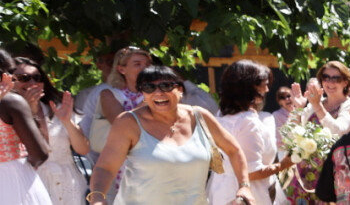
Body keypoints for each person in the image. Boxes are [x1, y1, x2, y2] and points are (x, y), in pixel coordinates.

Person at [89, 64, 255, 205]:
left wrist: (244, 186)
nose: (158, 92)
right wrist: (97, 197)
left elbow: (234, 150)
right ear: (143, 95)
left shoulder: (200, 117)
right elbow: (106, 168)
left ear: (180, 90)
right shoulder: (128, 122)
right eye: (149, 88)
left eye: (166, 86)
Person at [206, 60, 292, 205]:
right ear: (249, 86)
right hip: (247, 195)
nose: (267, 90)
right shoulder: (247, 121)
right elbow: (252, 173)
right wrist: (284, 164)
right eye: (264, 84)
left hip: (220, 188)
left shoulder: (221, 113)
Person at [14, 55, 90, 204]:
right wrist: (30, 110)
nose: (32, 82)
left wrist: (67, 122)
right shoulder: (7, 113)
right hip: (31, 183)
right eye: (24, 77)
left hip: (69, 183)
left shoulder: (58, 106)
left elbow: (83, 149)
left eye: (37, 77)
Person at [286, 60, 350, 204]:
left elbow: (338, 131)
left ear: (346, 82)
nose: (330, 82)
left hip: (335, 178)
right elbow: (291, 136)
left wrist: (317, 105)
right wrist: (298, 109)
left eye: (336, 78)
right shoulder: (314, 104)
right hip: (304, 179)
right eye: (326, 77)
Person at [91, 46, 151, 199]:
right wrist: (149, 100)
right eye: (138, 64)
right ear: (121, 69)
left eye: (147, 64)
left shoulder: (159, 94)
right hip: (119, 165)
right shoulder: (108, 94)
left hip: (151, 162)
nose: (144, 68)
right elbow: (122, 123)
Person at [0, 47, 52, 204]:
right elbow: (40, 153)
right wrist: (32, 111)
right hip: (13, 181)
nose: (12, 78)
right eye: (10, 72)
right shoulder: (11, 102)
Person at [272, 86, 293, 158]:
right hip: (284, 151)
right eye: (282, 98)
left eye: (288, 96)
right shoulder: (276, 115)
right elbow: (283, 136)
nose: (287, 99)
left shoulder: (300, 111)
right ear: (280, 102)